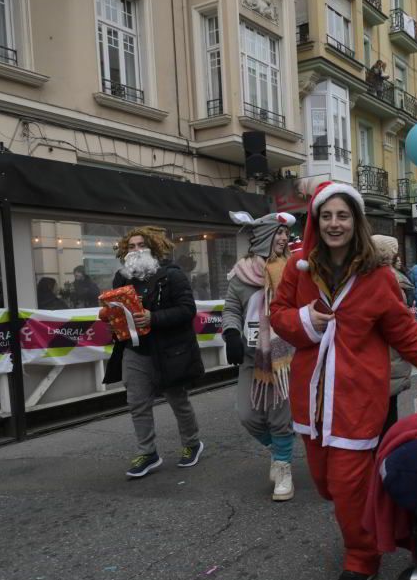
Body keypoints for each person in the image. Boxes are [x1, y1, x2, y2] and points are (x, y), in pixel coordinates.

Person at [270, 181, 417, 580]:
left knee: (346, 485)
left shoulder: (377, 278)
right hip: (312, 398)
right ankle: (383, 515)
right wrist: (305, 320)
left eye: (342, 215)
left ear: (355, 222)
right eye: (326, 216)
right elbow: (278, 315)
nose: (334, 224)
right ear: (316, 222)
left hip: (358, 398)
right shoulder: (298, 269)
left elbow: (406, 334)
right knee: (324, 483)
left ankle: (362, 554)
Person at [102, 226, 205, 479]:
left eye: (142, 245)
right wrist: (109, 316)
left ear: (154, 249)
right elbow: (116, 311)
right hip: (134, 350)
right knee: (137, 403)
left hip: (168, 350)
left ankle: (192, 443)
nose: (136, 250)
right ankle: (148, 452)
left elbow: (187, 310)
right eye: (132, 246)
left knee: (177, 400)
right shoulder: (122, 278)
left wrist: (153, 317)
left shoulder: (172, 275)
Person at [222, 211, 297, 502]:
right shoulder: (241, 274)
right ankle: (281, 451)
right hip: (251, 357)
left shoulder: (292, 270)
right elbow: (231, 309)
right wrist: (231, 333)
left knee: (279, 418)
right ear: (264, 236)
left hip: (283, 358)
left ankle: (283, 467)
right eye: (277, 233)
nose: (283, 238)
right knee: (248, 415)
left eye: (284, 233)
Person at [372, 235, 417, 439]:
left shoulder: (383, 279)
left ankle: (383, 453)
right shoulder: (392, 278)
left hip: (385, 354)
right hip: (390, 354)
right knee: (387, 410)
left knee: (383, 412)